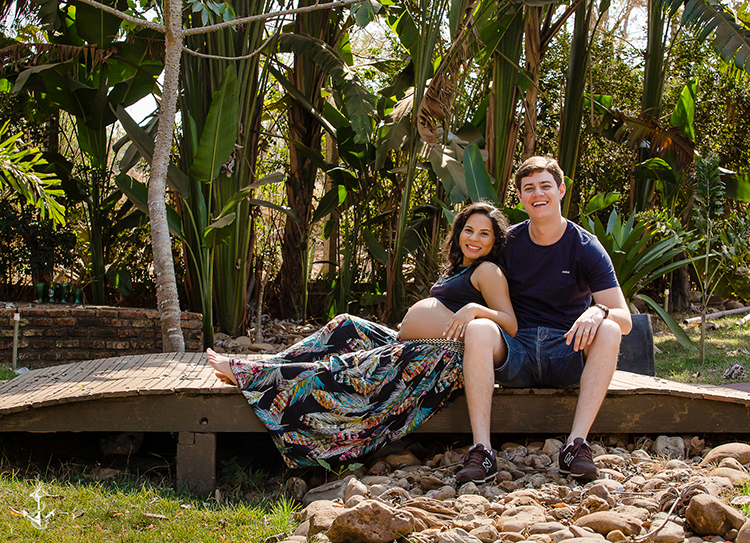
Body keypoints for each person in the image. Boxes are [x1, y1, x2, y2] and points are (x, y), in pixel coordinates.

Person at [207, 201, 517, 468]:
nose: (474, 238)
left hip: (441, 359)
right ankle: (268, 366)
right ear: (459, 232)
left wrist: (474, 310)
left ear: (495, 241)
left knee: (354, 366)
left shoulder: (487, 271)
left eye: (484, 233)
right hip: (415, 344)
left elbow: (510, 324)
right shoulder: (458, 268)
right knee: (346, 326)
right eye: (468, 230)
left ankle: (256, 377)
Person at [455, 157, 632, 485]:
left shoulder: (585, 247)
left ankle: (575, 445)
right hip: (516, 350)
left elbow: (625, 319)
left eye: (545, 186)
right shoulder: (507, 243)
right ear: (520, 197)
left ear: (561, 190)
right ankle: (482, 450)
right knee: (478, 328)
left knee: (609, 329)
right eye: (529, 188)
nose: (538, 194)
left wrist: (599, 311)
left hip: (566, 350)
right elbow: (462, 279)